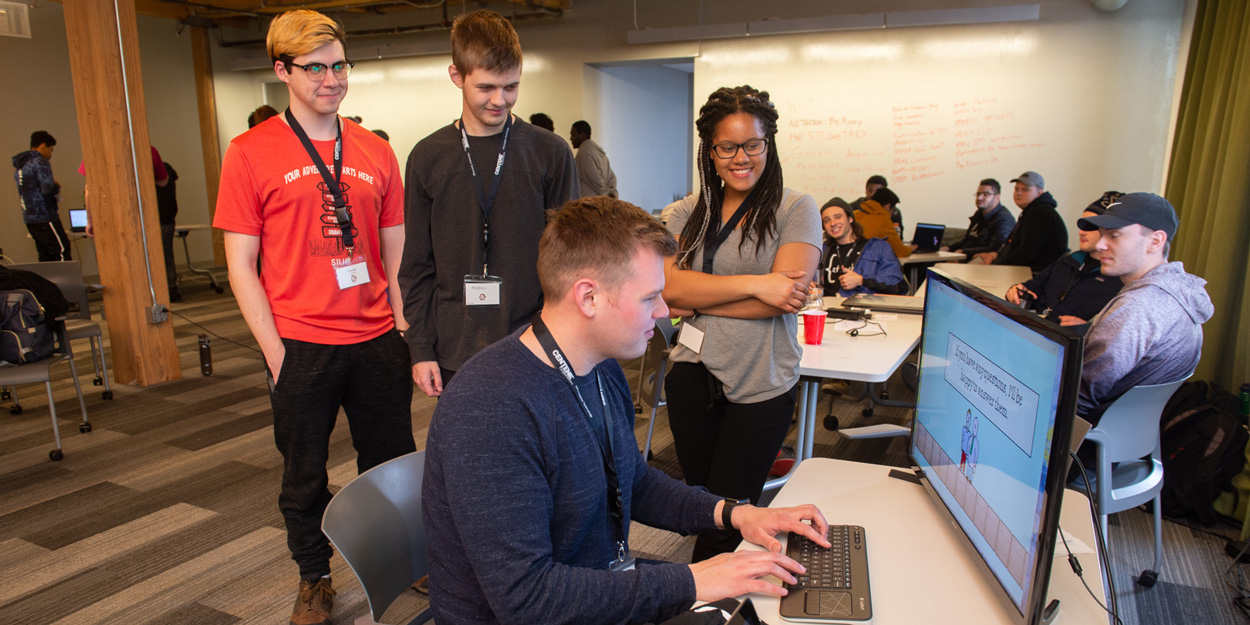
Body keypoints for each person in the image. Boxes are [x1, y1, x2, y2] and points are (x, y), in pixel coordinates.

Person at [423, 195, 830, 625]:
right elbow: (528, 601)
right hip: (542, 610)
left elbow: (633, 482)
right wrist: (692, 582)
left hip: (596, 587)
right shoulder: (492, 409)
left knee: (758, 605)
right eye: (650, 297)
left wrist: (737, 514)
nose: (665, 311)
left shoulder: (599, 368)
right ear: (589, 297)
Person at [212, 11, 415, 625]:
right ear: (282, 71)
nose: (331, 79)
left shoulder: (376, 149)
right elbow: (241, 265)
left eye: (339, 65)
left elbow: (395, 249)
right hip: (300, 344)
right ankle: (314, 575)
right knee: (303, 474)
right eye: (315, 67)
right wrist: (276, 352)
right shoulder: (250, 153)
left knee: (391, 465)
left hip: (377, 338)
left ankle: (400, 559)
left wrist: (403, 325)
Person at [661, 85, 821, 561]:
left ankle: (703, 599)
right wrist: (758, 284)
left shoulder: (796, 208)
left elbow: (786, 297)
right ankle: (713, 590)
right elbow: (668, 289)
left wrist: (701, 297)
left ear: (768, 145)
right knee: (703, 501)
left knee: (735, 508)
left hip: (762, 381)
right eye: (727, 147)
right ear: (710, 153)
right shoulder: (686, 212)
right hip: (692, 373)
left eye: (753, 144)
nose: (741, 157)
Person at [400, 9, 578, 397]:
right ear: (456, 76)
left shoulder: (549, 152)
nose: (501, 100)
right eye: (486, 88)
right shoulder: (428, 156)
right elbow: (416, 264)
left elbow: (572, 256)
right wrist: (420, 347)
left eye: (511, 87)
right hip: (453, 345)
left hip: (537, 340)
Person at [1075, 192, 1213, 424]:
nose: (1099, 245)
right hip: (1133, 430)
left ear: (1155, 241)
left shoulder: (1138, 306)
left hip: (1093, 433)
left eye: (1114, 236)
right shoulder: (1175, 291)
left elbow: (1080, 398)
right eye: (1102, 235)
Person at [1006, 192, 1124, 329]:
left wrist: (1088, 329)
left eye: (1091, 226)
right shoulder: (1070, 260)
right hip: (1033, 330)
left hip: (1061, 342)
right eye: (1083, 224)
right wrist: (1016, 292)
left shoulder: (1119, 280)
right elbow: (1034, 286)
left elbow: (1113, 331)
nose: (1081, 231)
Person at [974, 171, 1067, 271]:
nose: (1018, 193)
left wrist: (996, 267)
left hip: (1034, 276)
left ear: (1039, 193)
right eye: (1016, 189)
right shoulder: (1031, 211)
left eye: (1025, 190)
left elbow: (1026, 255)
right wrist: (995, 255)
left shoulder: (1040, 213)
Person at [817, 198, 906, 297]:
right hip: (824, 309)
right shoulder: (820, 250)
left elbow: (898, 286)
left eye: (838, 217)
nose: (832, 223)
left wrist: (861, 281)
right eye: (826, 220)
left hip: (863, 309)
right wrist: (807, 285)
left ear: (850, 218)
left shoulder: (878, 248)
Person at [78, 145, 168, 238]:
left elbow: (90, 189)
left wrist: (90, 221)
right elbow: (163, 182)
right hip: (144, 216)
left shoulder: (97, 150)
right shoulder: (146, 148)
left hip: (110, 219)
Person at [12, 131, 70, 261]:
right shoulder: (40, 162)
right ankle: (67, 282)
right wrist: (56, 186)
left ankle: (47, 281)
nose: (50, 155)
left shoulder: (21, 165)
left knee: (44, 255)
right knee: (61, 250)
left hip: (29, 217)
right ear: (43, 146)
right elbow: (47, 188)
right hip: (45, 216)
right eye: (51, 150)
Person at [947, 178, 1015, 258]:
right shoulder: (979, 214)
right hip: (968, 257)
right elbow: (966, 240)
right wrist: (949, 248)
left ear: (997, 198)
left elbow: (996, 248)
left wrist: (963, 252)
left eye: (986, 194)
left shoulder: (1004, 219)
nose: (979, 198)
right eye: (978, 194)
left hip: (985, 262)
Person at [854, 187, 911, 258]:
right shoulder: (884, 221)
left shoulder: (854, 215)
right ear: (887, 206)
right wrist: (910, 249)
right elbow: (901, 252)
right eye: (893, 210)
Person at [571, 120, 619, 198]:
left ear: (582, 135)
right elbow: (612, 178)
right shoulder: (597, 151)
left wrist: (605, 195)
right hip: (599, 202)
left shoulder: (584, 152)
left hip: (591, 202)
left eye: (573, 135)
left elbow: (595, 179)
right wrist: (610, 193)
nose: (571, 138)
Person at [154, 162, 181, 302]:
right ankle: (171, 289)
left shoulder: (155, 170)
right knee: (166, 254)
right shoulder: (167, 168)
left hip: (159, 218)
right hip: (168, 217)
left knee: (159, 255)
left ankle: (168, 289)